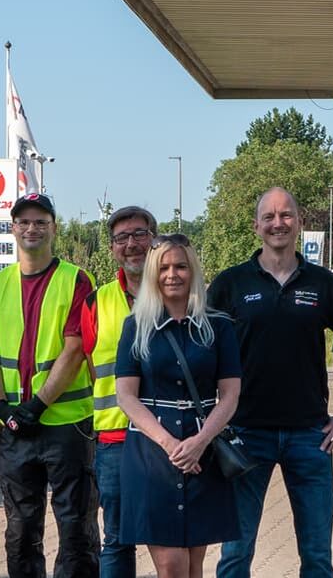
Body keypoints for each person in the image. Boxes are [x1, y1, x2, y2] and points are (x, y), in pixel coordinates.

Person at [208, 187, 333, 578]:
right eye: (268, 217)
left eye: (286, 215)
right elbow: (204, 350)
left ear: (299, 223)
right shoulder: (230, 284)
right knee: (235, 554)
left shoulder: (322, 284)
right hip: (245, 433)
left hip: (310, 435)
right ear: (256, 226)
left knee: (317, 555)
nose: (277, 223)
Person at [0, 193, 99, 578]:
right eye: (24, 221)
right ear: (13, 228)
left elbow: (76, 348)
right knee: (21, 530)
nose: (32, 228)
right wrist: (1, 407)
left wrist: (39, 404)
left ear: (53, 228)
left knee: (76, 527)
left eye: (40, 221)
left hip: (67, 424)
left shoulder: (76, 279)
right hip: (16, 428)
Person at [113, 234, 242, 578]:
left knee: (194, 564)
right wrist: (171, 445)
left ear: (193, 271)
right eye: (165, 267)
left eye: (181, 266)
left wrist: (198, 443)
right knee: (171, 566)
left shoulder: (218, 326)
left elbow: (230, 394)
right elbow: (126, 395)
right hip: (152, 452)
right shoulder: (137, 326)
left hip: (204, 449)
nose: (173, 274)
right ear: (154, 274)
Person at [83, 205, 158, 578]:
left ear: (154, 239)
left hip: (171, 439)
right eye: (122, 238)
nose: (131, 244)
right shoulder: (96, 303)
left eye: (140, 234)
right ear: (112, 247)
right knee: (117, 539)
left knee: (174, 537)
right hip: (114, 438)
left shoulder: (179, 292)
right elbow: (90, 366)